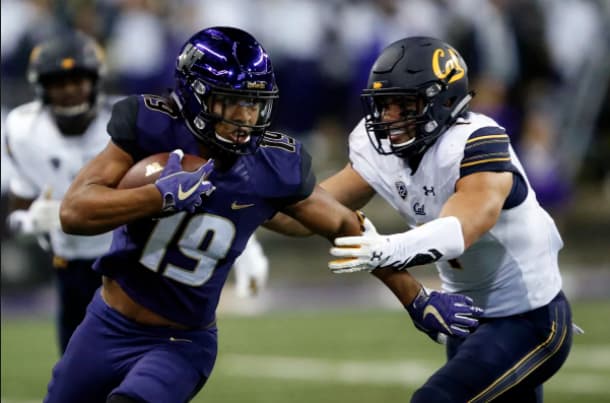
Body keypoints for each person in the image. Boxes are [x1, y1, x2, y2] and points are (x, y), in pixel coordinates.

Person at [44, 27, 482, 403]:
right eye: (230, 103)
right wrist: (157, 197)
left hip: (179, 342)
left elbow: (344, 227)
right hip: (105, 323)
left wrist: (416, 298)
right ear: (195, 96)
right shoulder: (149, 126)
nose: (245, 117)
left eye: (253, 104)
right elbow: (74, 212)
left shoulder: (271, 165)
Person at [289, 36, 572, 402]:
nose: (389, 117)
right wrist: (252, 194)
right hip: (464, 319)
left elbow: (463, 227)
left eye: (404, 104)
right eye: (383, 104)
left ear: (445, 101)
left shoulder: (477, 140)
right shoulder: (383, 150)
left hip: (528, 318)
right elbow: (308, 214)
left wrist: (385, 249)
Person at [4, 30, 111, 354]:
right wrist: (29, 222)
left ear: (95, 82)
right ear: (42, 88)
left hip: (125, 260)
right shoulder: (23, 130)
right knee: (74, 360)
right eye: (57, 83)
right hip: (69, 263)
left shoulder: (122, 126)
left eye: (77, 81)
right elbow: (19, 206)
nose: (68, 91)